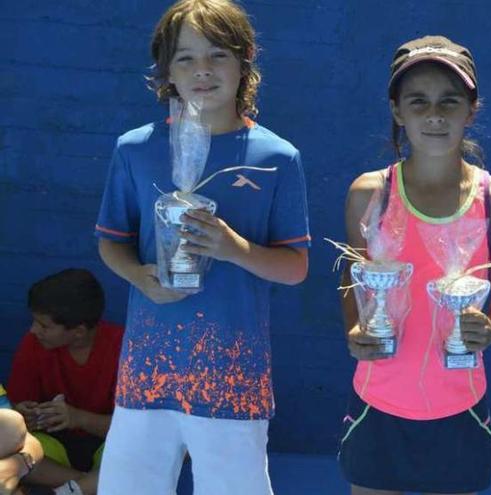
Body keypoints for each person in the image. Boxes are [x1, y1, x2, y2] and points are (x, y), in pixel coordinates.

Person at [94, 1, 310, 493]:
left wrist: (236, 249)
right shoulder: (134, 147)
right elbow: (111, 243)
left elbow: (295, 268)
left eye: (218, 55)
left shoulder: (277, 156)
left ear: (244, 60)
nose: (203, 70)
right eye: (186, 58)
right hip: (147, 372)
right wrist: (139, 277)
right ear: (166, 69)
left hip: (232, 374)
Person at [338, 35, 491, 495]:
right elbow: (352, 274)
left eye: (449, 101)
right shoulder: (370, 193)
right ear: (398, 111)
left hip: (460, 403)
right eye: (418, 102)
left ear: (471, 110)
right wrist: (356, 329)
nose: (435, 115)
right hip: (377, 402)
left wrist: (490, 328)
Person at [7, 269, 122, 495]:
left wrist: (77, 418)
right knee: (10, 448)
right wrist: (23, 416)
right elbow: (15, 414)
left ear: (78, 331)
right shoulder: (33, 344)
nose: (33, 330)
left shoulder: (124, 348)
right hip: (53, 450)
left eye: (44, 325)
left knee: (145, 451)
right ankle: (86, 486)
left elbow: (137, 430)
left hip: (106, 444)